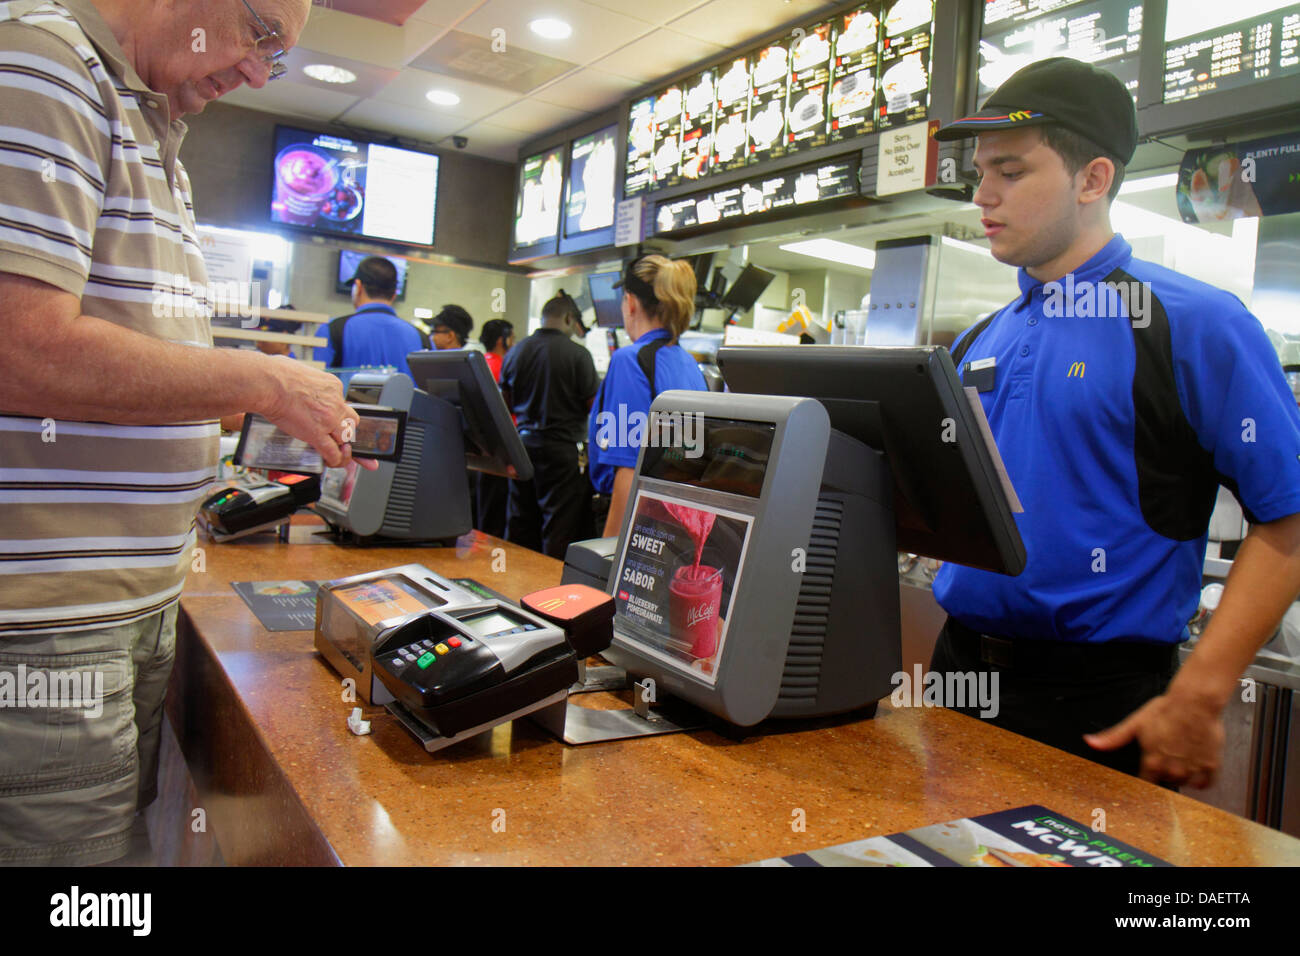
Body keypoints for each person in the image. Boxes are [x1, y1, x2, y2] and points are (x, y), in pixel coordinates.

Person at [0, 0, 374, 866]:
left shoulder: (154, 127)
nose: (256, 71)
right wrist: (263, 379)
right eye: (260, 33)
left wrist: (249, 405)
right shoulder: (49, 66)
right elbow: (21, 348)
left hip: (125, 604)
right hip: (47, 623)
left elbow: (132, 367)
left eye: (276, 57)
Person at [928, 57, 1300, 786]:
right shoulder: (979, 338)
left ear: (1092, 179)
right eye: (980, 173)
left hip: (1099, 701)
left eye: (1010, 171)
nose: (983, 195)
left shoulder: (1196, 324)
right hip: (957, 671)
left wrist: (1203, 689)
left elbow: (1289, 515)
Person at [589, 255, 707, 536]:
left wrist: (608, 551)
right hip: (676, 517)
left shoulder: (630, 361)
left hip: (637, 518)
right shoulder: (689, 363)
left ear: (630, 303)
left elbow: (629, 470)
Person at [500, 291, 598, 557]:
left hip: (523, 447)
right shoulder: (579, 355)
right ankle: (549, 581)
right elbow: (594, 406)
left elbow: (505, 404)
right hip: (562, 452)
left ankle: (513, 576)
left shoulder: (516, 351)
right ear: (568, 318)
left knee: (520, 522)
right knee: (558, 526)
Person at [319, 256, 427, 375]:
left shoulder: (332, 330)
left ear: (358, 287)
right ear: (394, 294)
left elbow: (318, 379)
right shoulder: (422, 338)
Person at [475, 319, 515, 538]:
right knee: (498, 515)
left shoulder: (480, 363)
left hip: (481, 449)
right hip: (503, 449)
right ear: (503, 340)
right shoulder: (503, 366)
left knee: (485, 510)